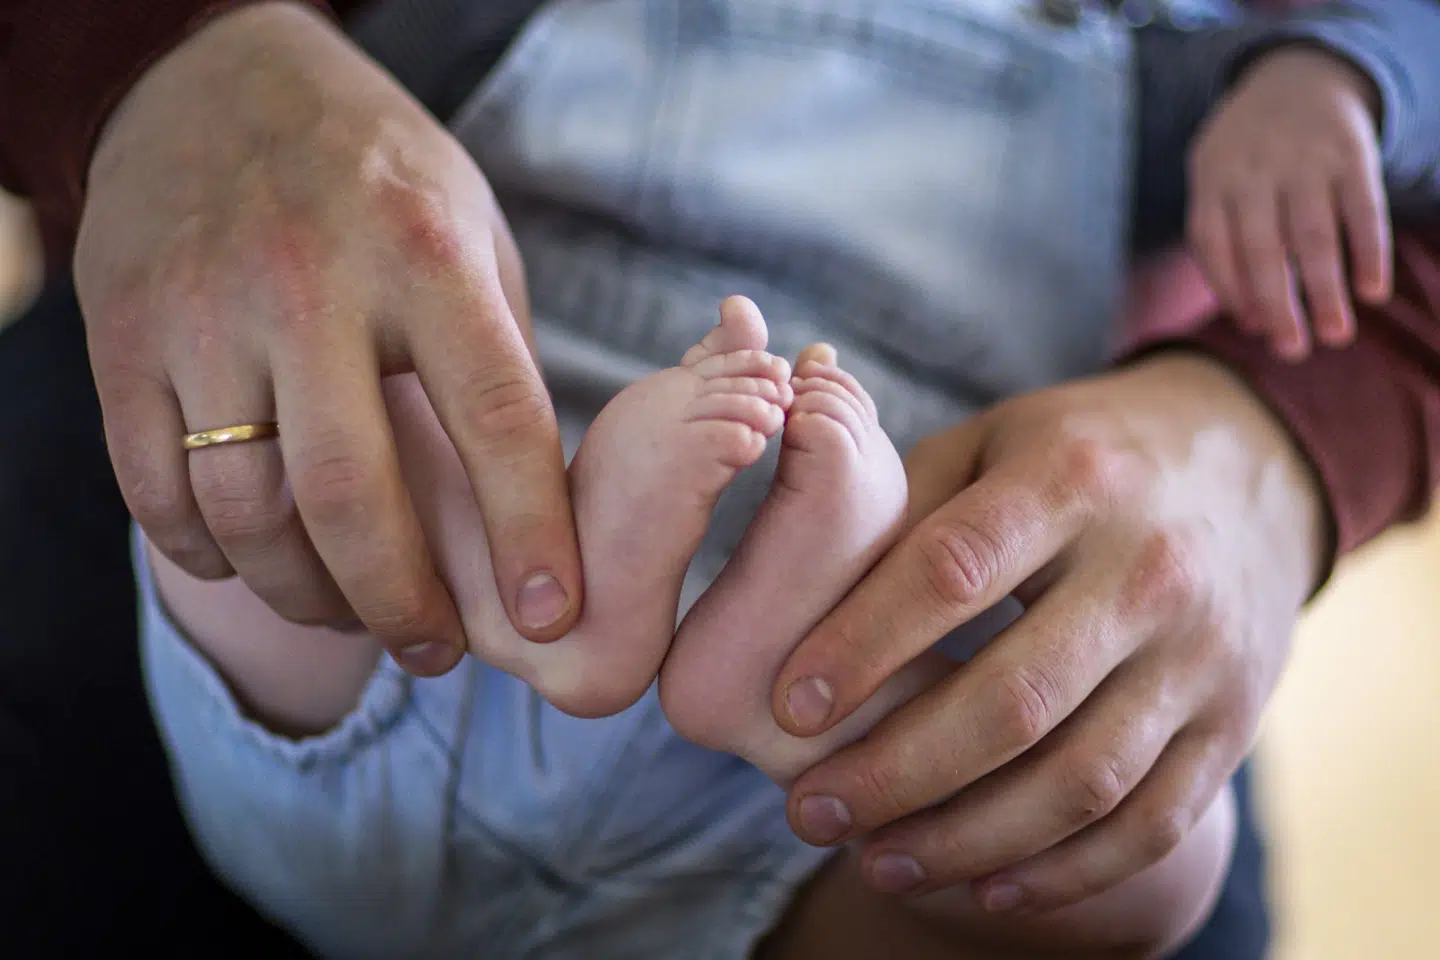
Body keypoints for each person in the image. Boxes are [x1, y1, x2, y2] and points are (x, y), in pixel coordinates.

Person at [3, 0, 1440, 957]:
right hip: (475, 447)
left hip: (861, 715)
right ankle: (652, 611)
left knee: (1147, 865)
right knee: (303, 462)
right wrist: (164, 58)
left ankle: (688, 624)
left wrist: (1343, 75)